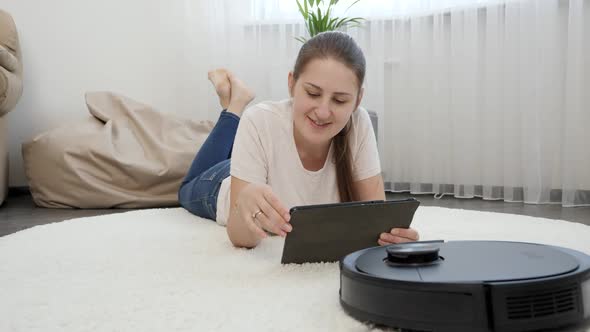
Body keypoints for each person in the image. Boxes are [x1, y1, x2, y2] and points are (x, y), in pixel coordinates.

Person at [179, 31, 419, 248]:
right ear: (292, 84)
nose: (323, 111)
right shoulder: (259, 120)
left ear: (357, 100)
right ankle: (234, 106)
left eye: (340, 100)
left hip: (258, 164)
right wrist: (245, 205)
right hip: (222, 185)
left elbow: (375, 219)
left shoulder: (359, 123)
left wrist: (392, 237)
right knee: (185, 188)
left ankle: (233, 108)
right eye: (313, 93)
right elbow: (240, 238)